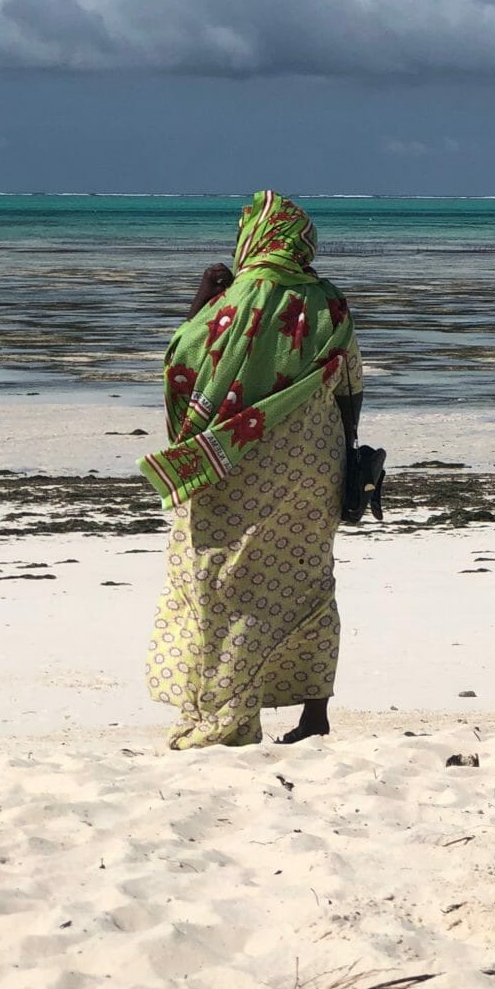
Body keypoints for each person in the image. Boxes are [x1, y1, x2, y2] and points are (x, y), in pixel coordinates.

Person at [141, 191, 363, 749]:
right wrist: (348, 453)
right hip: (316, 458)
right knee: (309, 577)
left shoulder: (233, 302)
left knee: (224, 582)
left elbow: (180, 362)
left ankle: (229, 719)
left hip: (239, 461)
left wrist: (199, 299)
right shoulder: (330, 302)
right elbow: (351, 385)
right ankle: (315, 715)